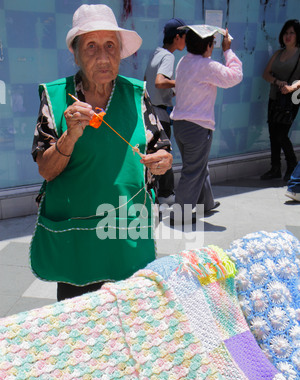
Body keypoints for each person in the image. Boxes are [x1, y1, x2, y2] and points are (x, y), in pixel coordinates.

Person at [30, 4, 172, 302]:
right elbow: (46, 169)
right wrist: (70, 137)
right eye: (91, 47)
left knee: (129, 320)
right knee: (79, 324)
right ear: (76, 53)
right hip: (77, 236)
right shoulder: (56, 96)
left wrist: (162, 162)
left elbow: (161, 148)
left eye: (110, 46)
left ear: (120, 52)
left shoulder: (137, 93)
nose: (103, 56)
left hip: (124, 231)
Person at [170, 26, 242, 220]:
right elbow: (235, 76)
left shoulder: (183, 62)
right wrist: (228, 50)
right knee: (193, 170)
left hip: (180, 124)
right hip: (197, 127)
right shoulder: (207, 66)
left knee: (198, 165)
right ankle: (181, 215)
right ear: (209, 46)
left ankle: (206, 203)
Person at [144, 18, 186, 201]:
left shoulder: (157, 52)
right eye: (185, 37)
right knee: (164, 154)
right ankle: (166, 194)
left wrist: (172, 90)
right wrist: (182, 82)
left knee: (153, 154)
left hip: (149, 110)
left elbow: (147, 80)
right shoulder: (169, 56)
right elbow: (159, 81)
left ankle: (155, 193)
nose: (186, 41)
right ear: (177, 37)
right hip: (161, 113)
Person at [261, 19, 300, 181]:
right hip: (275, 97)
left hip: (291, 99)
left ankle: (292, 164)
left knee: (281, 134)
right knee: (272, 134)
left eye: (291, 33)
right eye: (286, 32)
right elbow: (266, 74)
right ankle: (275, 168)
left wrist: (292, 87)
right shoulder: (278, 53)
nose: (288, 36)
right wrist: (277, 82)